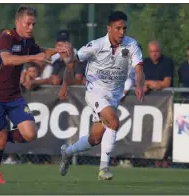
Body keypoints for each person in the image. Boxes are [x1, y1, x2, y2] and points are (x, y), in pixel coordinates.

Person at [0, 5, 70, 184]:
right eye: (28, 24)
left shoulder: (27, 41)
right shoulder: (6, 38)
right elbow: (7, 60)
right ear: (18, 22)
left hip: (14, 96)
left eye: (33, 24)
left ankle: (1, 136)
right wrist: (32, 58)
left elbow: (41, 53)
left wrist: (58, 51)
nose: (31, 28)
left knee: (30, 134)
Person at [58, 11, 144, 180]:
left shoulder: (131, 45)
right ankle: (103, 169)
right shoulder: (96, 45)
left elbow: (139, 68)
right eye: (118, 28)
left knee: (95, 138)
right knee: (113, 121)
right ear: (109, 28)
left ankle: (67, 152)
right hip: (95, 92)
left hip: (114, 96)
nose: (121, 32)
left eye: (124, 29)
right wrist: (64, 85)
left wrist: (139, 84)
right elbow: (72, 62)